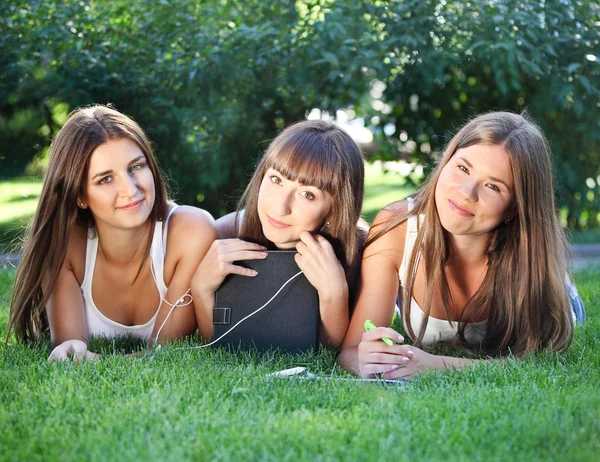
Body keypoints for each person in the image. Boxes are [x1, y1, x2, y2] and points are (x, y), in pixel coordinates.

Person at [338, 111, 584, 380]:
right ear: (446, 161)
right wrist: (369, 358)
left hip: (562, 295)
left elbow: (542, 361)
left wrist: (433, 365)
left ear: (515, 208)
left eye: (493, 186)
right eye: (463, 168)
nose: (466, 193)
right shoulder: (397, 226)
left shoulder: (531, 255)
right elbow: (351, 351)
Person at [7, 105, 217, 361]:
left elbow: (165, 352)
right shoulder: (65, 244)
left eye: (136, 167)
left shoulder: (191, 231)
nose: (130, 189)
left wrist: (97, 361)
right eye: (105, 179)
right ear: (80, 195)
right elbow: (72, 352)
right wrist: (75, 354)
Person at [191, 120, 366, 348]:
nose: (279, 207)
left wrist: (335, 294)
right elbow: (215, 344)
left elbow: (327, 354)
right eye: (276, 180)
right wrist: (201, 288)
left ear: (336, 209)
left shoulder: (360, 249)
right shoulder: (225, 234)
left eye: (307, 194)